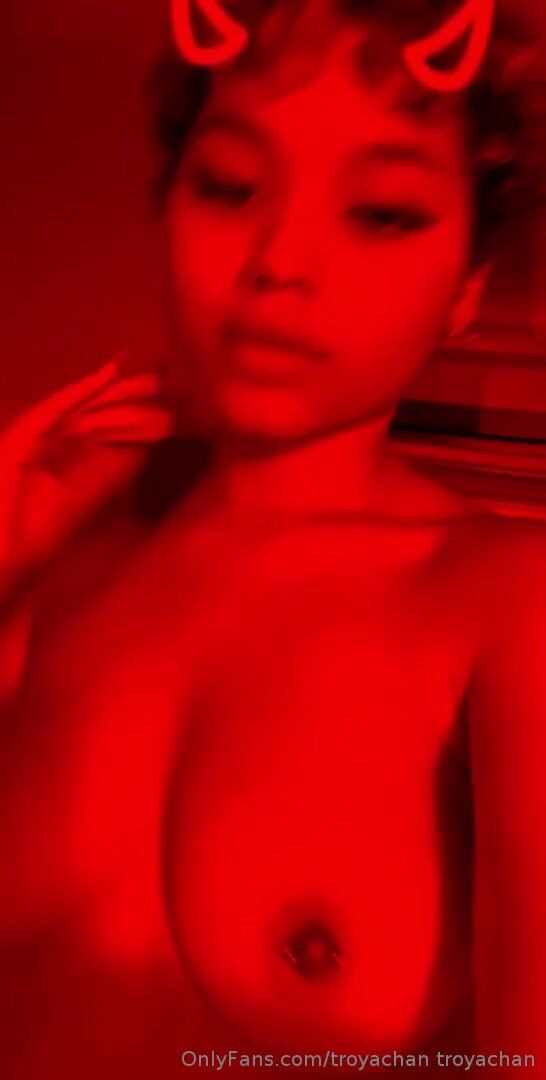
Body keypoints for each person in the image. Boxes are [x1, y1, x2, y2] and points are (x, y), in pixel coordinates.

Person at [1, 0, 545, 1076]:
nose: (281, 259)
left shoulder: (510, 609)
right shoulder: (61, 573)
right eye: (231, 186)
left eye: (380, 212)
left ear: (467, 293)